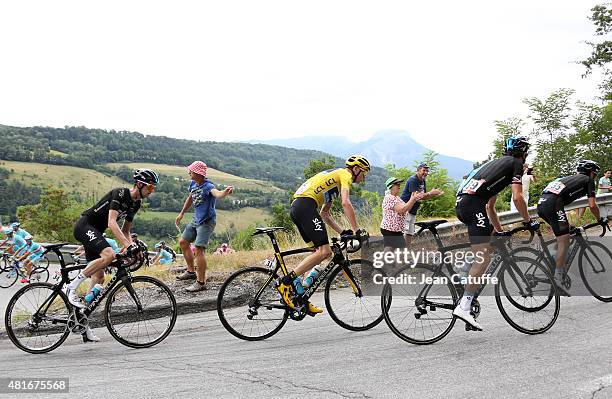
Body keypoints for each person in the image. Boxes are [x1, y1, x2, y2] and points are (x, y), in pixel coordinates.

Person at [454, 136, 539, 330]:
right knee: (483, 257)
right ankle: (464, 306)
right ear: (524, 152)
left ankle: (463, 275)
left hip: (465, 204)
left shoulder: (499, 165)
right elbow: (518, 198)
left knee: (487, 246)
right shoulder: (516, 164)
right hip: (472, 205)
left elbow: (490, 206)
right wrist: (528, 221)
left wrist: (499, 231)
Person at [67, 168, 159, 342]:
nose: (151, 191)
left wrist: (133, 247)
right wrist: (126, 244)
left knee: (99, 277)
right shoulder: (120, 194)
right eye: (150, 187)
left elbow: (126, 230)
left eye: (153, 188)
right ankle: (71, 287)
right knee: (109, 255)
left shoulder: (136, 204)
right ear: (139, 184)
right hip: (85, 226)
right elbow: (111, 222)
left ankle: (82, 323)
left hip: (96, 232)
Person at [277, 155, 371, 315]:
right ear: (356, 169)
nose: (363, 179)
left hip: (299, 207)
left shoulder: (333, 180)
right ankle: (285, 282)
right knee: (325, 251)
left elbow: (325, 214)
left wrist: (343, 232)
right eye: (364, 174)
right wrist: (357, 231)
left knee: (319, 253)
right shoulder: (345, 175)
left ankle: (300, 294)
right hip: (305, 206)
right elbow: (346, 203)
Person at [537, 160, 606, 296]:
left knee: (565, 232)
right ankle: (557, 279)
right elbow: (592, 205)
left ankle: (551, 256)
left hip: (542, 204)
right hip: (554, 204)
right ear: (592, 173)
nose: (595, 177)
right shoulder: (588, 180)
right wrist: (600, 220)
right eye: (595, 174)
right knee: (565, 240)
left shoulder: (568, 178)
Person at [175, 161, 233, 292]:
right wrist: (181, 213)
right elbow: (190, 198)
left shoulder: (208, 186)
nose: (189, 172)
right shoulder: (193, 184)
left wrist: (225, 192)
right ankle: (191, 272)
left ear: (198, 173)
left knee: (199, 249)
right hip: (196, 219)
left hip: (206, 221)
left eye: (191, 170)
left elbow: (217, 194)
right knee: (183, 242)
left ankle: (201, 282)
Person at [400, 163, 444, 247]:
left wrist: (433, 194)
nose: (426, 172)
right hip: (406, 210)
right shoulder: (413, 180)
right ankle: (400, 256)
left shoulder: (422, 180)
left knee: (409, 233)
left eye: (427, 171)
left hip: (413, 211)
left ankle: (406, 255)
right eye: (424, 170)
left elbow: (423, 197)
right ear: (418, 170)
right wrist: (431, 193)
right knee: (404, 233)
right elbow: (416, 196)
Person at [380, 177, 425, 251]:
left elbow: (407, 208)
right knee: (401, 251)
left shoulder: (396, 198)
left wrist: (413, 198)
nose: (399, 185)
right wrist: (412, 199)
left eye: (399, 184)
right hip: (391, 229)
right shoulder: (390, 198)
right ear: (390, 187)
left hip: (393, 229)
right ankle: (388, 262)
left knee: (390, 249)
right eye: (397, 184)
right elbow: (402, 210)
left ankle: (384, 262)